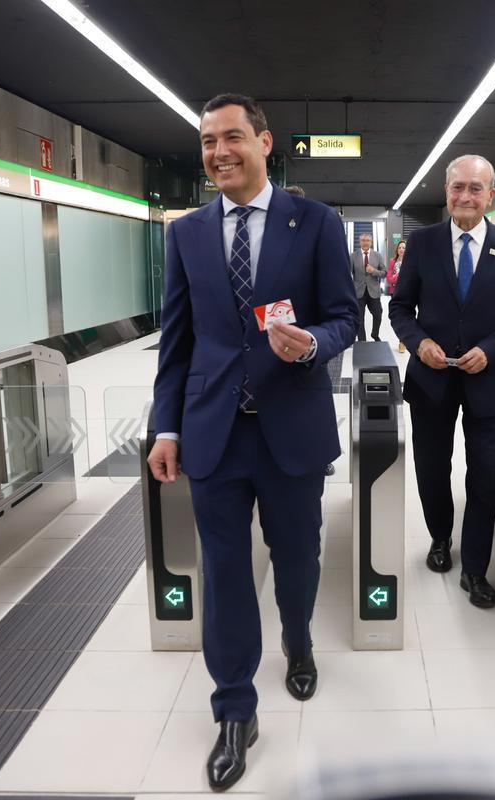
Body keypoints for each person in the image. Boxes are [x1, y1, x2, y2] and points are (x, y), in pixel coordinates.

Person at [146, 93, 357, 792]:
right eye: (207, 141)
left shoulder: (316, 223)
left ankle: (297, 639)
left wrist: (311, 346)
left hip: (291, 427)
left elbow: (344, 317)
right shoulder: (187, 234)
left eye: (232, 137)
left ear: (265, 143)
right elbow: (177, 342)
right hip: (213, 432)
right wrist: (166, 425)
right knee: (225, 570)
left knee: (296, 558)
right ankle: (234, 708)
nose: (218, 152)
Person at [389, 154, 495, 609]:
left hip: (486, 382)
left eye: (476, 188)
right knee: (433, 469)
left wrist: (491, 350)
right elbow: (399, 308)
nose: (466, 196)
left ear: (491, 195)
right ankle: (439, 537)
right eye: (458, 187)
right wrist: (420, 343)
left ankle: (475, 568)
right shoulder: (423, 244)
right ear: (446, 191)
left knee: (483, 475)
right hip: (430, 381)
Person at [351, 233, 387, 341]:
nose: (365, 242)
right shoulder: (353, 256)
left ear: (371, 242)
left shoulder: (378, 255)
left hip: (374, 291)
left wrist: (374, 271)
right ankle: (362, 340)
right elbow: (348, 273)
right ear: (359, 242)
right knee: (359, 318)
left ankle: (375, 334)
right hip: (358, 292)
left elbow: (384, 273)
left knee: (378, 315)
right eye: (363, 240)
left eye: (367, 240)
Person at [387, 239, 407, 352]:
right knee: (397, 317)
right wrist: (399, 275)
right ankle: (401, 339)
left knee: (406, 317)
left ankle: (403, 341)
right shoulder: (392, 262)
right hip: (394, 292)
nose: (401, 249)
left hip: (408, 292)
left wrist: (396, 279)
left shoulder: (411, 261)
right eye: (400, 247)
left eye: (404, 247)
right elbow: (389, 279)